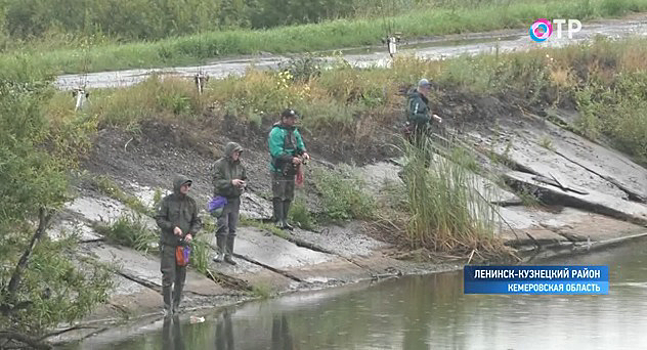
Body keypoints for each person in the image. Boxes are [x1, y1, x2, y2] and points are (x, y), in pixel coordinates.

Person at [155, 175, 202, 316]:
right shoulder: (166, 202)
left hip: (185, 247)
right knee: (168, 276)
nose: (187, 188)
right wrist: (172, 227)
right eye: (184, 185)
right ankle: (167, 307)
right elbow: (159, 219)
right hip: (169, 245)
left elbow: (197, 222)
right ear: (177, 186)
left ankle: (176, 306)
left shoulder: (191, 203)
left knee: (181, 277)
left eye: (188, 186)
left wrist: (191, 234)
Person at [268, 109, 310, 230]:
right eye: (291, 118)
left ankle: (285, 220)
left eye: (294, 118)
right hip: (278, 168)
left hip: (291, 168)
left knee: (288, 194)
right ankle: (278, 220)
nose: (293, 121)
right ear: (284, 118)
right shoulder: (275, 132)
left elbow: (299, 144)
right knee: (278, 194)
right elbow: (276, 151)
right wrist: (291, 159)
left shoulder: (294, 131)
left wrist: (304, 153)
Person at [211, 142, 247, 265]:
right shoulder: (219, 165)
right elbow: (216, 182)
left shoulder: (241, 166)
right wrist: (231, 182)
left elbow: (244, 179)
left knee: (232, 228)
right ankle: (219, 252)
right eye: (235, 152)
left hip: (235, 200)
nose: (237, 155)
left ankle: (229, 254)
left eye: (239, 153)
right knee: (222, 226)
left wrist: (243, 186)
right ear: (229, 152)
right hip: (221, 198)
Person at [405, 78, 442, 165]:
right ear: (422, 88)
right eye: (428, 88)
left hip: (421, 131)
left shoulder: (420, 100)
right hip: (416, 132)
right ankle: (406, 173)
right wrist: (429, 117)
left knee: (425, 155)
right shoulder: (416, 100)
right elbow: (414, 116)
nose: (428, 91)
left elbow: (423, 114)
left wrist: (432, 117)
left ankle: (414, 175)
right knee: (426, 156)